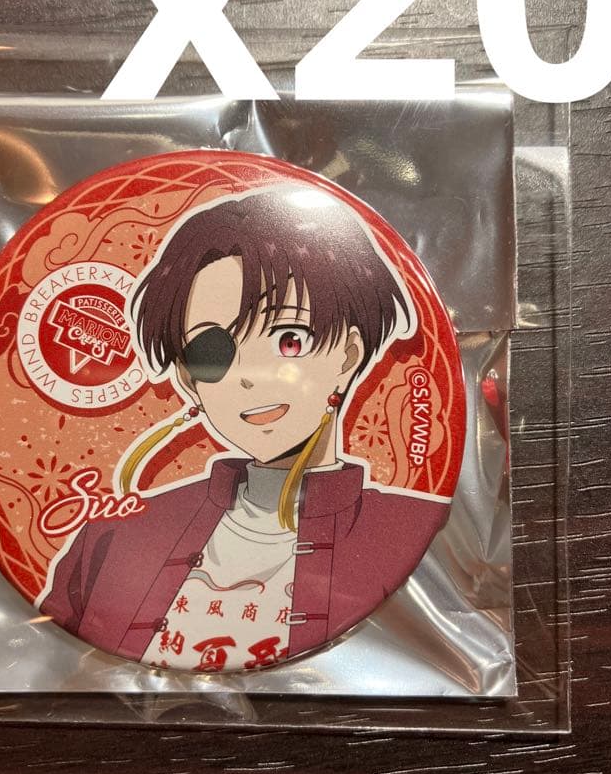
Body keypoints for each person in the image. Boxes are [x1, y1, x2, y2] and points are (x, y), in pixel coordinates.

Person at [37, 184, 450, 672]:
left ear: (348, 355)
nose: (250, 377)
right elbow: (51, 663)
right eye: (213, 352)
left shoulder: (413, 535)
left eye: (290, 340)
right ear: (188, 381)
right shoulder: (111, 539)